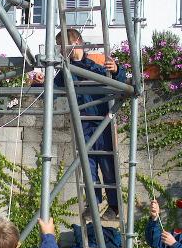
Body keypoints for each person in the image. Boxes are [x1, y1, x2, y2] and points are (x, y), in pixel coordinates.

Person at [33, 29, 127, 220]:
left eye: (63, 44)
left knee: (108, 165)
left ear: (76, 42)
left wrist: (117, 70)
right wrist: (39, 84)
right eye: (59, 45)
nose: (61, 49)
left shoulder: (96, 61)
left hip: (103, 121)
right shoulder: (65, 70)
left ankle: (114, 207)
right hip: (83, 124)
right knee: (88, 167)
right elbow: (52, 91)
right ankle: (93, 205)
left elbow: (121, 82)